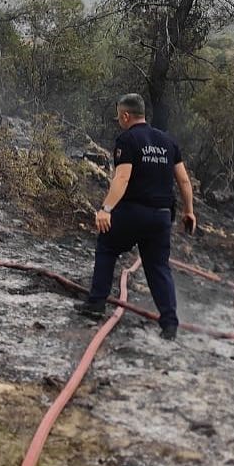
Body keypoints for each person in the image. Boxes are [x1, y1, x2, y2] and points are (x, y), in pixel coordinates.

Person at [80, 93, 196, 338]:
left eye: (118, 116)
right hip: (162, 216)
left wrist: (106, 209)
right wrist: (189, 212)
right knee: (158, 267)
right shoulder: (168, 141)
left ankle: (96, 304)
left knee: (107, 246)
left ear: (125, 115)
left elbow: (122, 178)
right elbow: (184, 180)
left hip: (133, 212)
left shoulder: (128, 139)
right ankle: (170, 324)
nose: (118, 120)